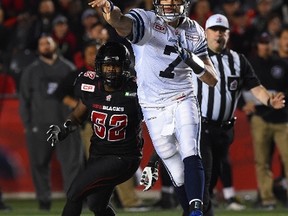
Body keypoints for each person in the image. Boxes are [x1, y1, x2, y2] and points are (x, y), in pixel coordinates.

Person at [140, 13, 286, 216]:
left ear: (228, 34)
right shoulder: (193, 56)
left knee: (209, 182)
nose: (219, 34)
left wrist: (269, 101)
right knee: (202, 186)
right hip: (200, 128)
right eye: (214, 30)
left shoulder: (238, 60)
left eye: (223, 30)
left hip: (224, 132)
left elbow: (255, 87)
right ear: (205, 33)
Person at [88, 0, 218, 216]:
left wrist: (193, 60)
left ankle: (196, 210)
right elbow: (121, 23)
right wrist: (111, 12)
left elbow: (211, 79)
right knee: (176, 172)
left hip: (182, 96)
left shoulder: (194, 30)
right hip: (152, 105)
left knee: (190, 150)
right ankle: (192, 210)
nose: (170, 3)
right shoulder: (147, 21)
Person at [46, 41, 144, 216]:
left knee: (74, 193)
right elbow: (77, 115)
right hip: (98, 154)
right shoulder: (90, 86)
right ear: (99, 67)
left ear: (124, 67)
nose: (111, 70)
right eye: (107, 66)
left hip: (123, 157)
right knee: (97, 206)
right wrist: (64, 129)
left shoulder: (137, 90)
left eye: (116, 66)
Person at [19, 35, 84, 211]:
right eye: (41, 44)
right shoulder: (30, 70)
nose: (45, 47)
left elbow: (79, 97)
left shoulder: (68, 68)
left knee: (72, 165)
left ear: (55, 45)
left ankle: (74, 200)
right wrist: (27, 124)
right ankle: (44, 201)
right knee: (39, 164)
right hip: (40, 126)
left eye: (48, 43)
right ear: (38, 48)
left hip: (66, 126)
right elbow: (24, 100)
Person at [242, 31, 288, 209]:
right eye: (262, 42)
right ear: (257, 45)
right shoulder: (249, 64)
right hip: (260, 119)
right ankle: (267, 198)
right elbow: (238, 87)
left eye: (268, 42)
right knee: (262, 161)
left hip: (282, 119)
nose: (265, 46)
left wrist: (283, 95)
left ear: (272, 44)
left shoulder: (282, 64)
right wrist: (243, 104)